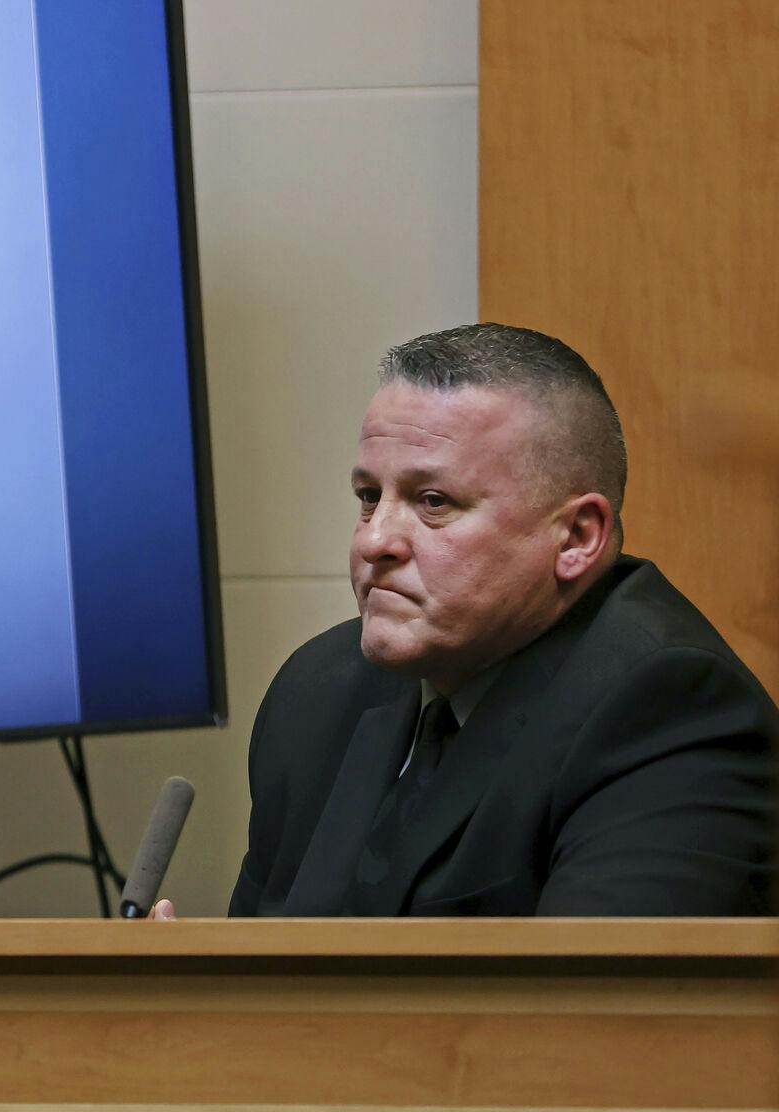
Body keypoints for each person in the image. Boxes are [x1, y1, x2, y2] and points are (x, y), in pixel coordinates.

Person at [226, 323, 776, 916]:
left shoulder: (671, 712)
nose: (374, 540)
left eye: (433, 502)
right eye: (368, 497)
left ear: (576, 537)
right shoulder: (316, 691)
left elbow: (595, 1001)